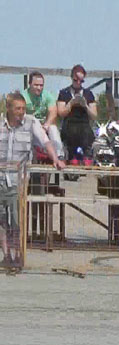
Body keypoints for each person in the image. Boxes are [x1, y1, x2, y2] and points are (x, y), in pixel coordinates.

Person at [1, 92, 64, 265]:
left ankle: (18, 255)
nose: (21, 112)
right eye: (18, 108)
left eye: (23, 108)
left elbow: (45, 141)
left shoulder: (31, 123)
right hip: (0, 179)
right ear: (8, 108)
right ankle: (6, 256)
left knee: (17, 221)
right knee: (2, 221)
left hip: (19, 180)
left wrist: (55, 159)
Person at [56, 64, 98, 166]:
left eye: (81, 81)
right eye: (76, 80)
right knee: (72, 130)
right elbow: (61, 113)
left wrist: (85, 106)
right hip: (69, 124)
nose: (78, 83)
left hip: (84, 125)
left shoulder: (88, 94)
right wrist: (71, 103)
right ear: (71, 78)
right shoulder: (64, 93)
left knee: (85, 131)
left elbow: (94, 115)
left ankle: (86, 156)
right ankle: (72, 156)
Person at [21, 72, 63, 161]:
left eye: (41, 85)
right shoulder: (23, 97)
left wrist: (47, 125)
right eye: (36, 85)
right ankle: (46, 150)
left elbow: (53, 111)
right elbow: (20, 114)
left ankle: (59, 155)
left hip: (44, 126)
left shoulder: (47, 95)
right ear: (29, 84)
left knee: (53, 128)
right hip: (28, 126)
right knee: (33, 121)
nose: (39, 88)